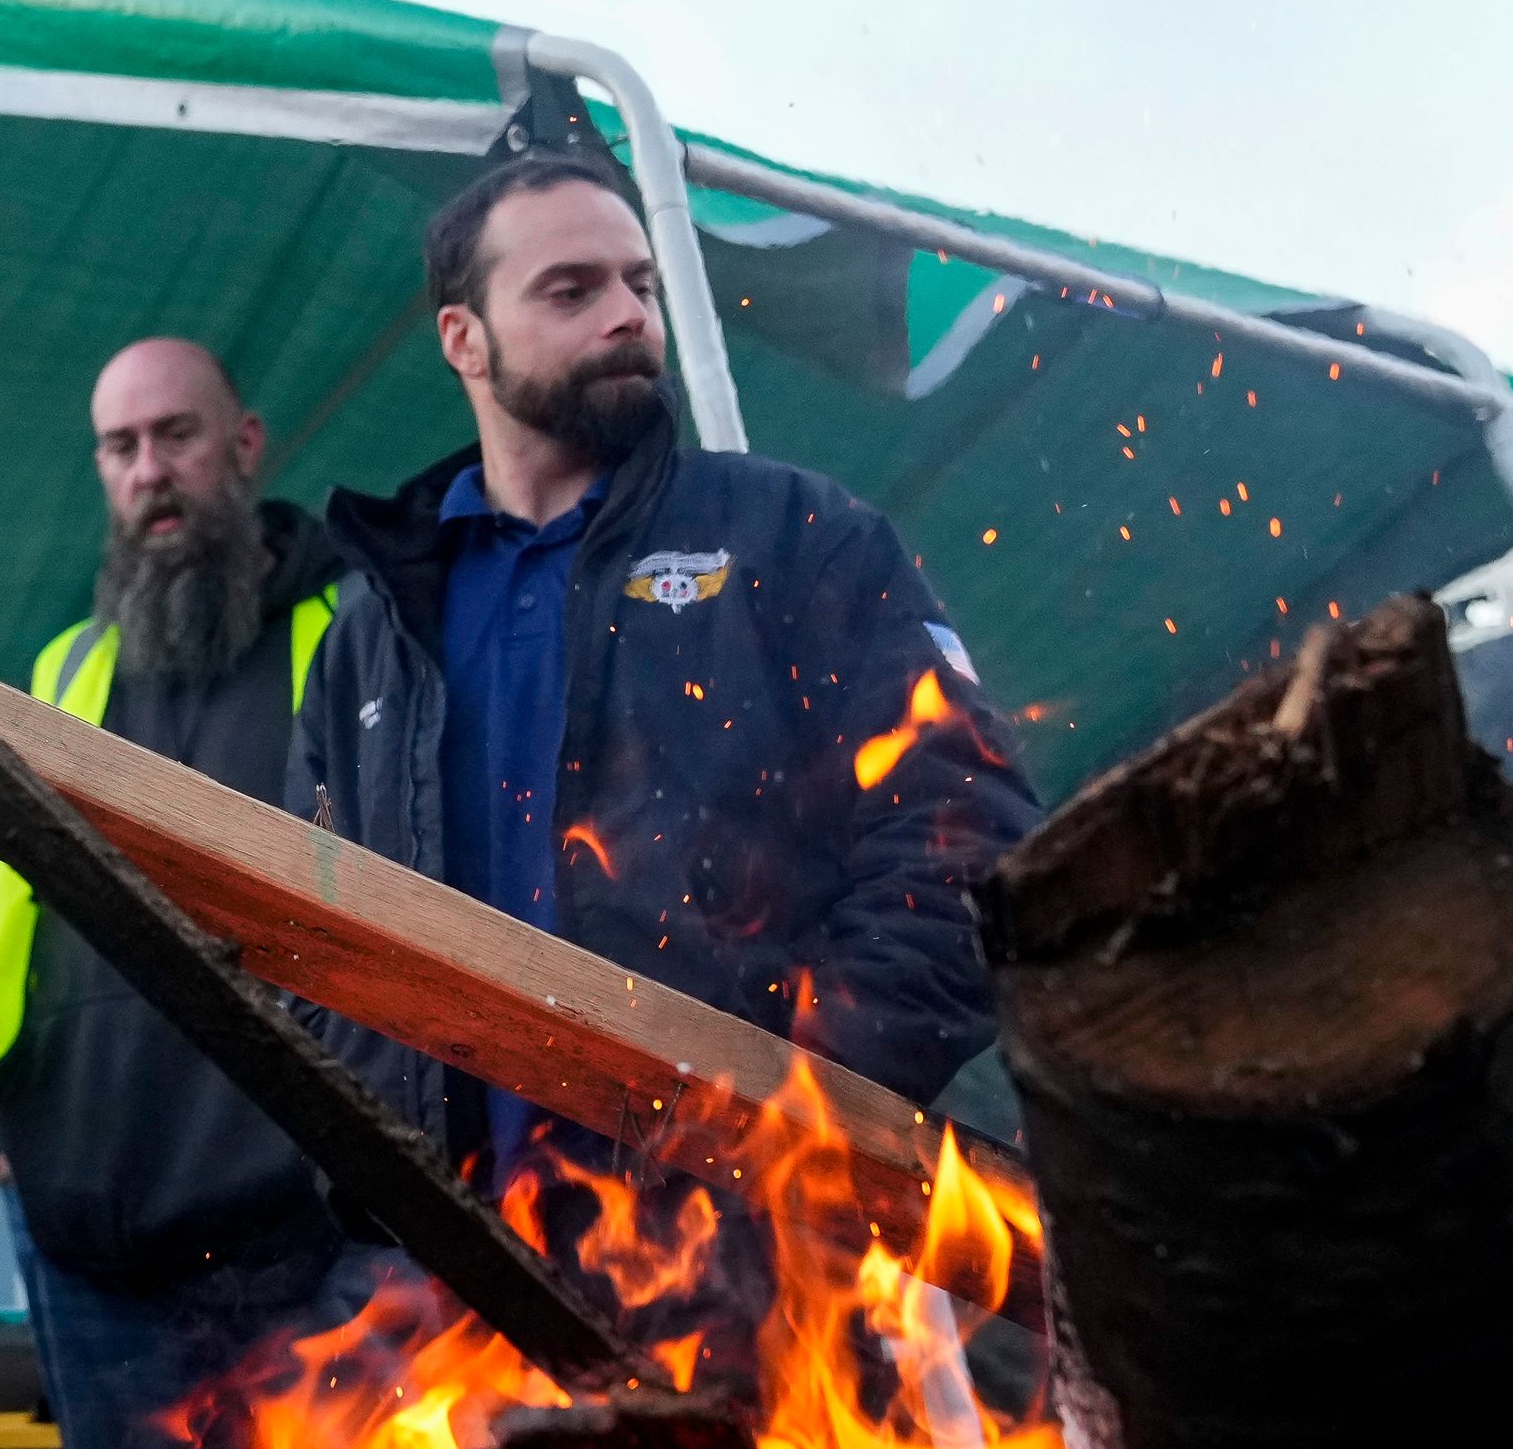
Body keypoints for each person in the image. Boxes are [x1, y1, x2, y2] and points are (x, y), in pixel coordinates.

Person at [289, 149, 1039, 1202]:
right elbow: (303, 918)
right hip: (454, 1273)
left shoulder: (795, 534)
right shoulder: (370, 633)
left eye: (640, 282)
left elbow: (966, 828)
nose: (628, 315)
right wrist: (375, 1147)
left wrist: (811, 1100)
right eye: (571, 289)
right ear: (463, 337)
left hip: (753, 1253)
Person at [0, 339, 371, 1449]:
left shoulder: (349, 640)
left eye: (176, 437)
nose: (150, 475)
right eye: (120, 446)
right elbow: (10, 916)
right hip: (97, 1254)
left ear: (244, 444)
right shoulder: (68, 668)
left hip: (302, 1243)